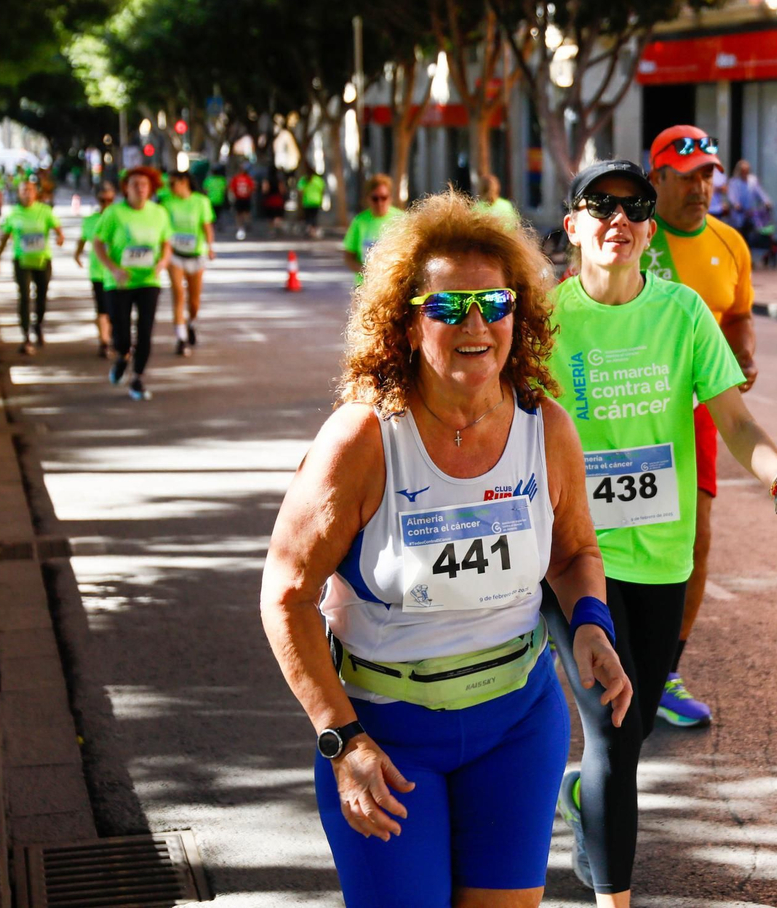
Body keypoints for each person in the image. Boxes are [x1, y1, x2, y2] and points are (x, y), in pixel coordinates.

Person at [260, 190, 632, 907]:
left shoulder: (545, 427)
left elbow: (574, 551)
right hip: (387, 739)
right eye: (447, 308)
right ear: (404, 325)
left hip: (517, 728)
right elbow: (286, 595)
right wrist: (343, 740)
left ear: (517, 317)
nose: (475, 325)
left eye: (494, 305)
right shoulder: (363, 440)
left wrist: (590, 623)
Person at [549, 159, 777, 905]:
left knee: (632, 725)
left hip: (660, 553)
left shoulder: (682, 314)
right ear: (572, 225)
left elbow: (735, 421)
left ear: (649, 228)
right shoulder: (544, 321)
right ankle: (616, 897)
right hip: (572, 558)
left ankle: (583, 802)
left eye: (633, 206)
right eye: (598, 206)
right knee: (612, 732)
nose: (618, 219)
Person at [641, 125, 757, 728]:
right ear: (656, 177)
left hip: (695, 415)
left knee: (696, 540)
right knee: (599, 538)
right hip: (621, 413)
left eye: (707, 174)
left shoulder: (730, 243)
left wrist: (745, 354)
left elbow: (737, 317)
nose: (700, 186)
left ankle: (663, 672)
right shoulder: (631, 236)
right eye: (686, 176)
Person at [94, 166, 173, 401]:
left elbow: (166, 243)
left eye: (144, 185)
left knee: (146, 331)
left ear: (151, 189)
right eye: (134, 184)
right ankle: (122, 357)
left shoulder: (159, 213)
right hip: (119, 282)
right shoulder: (113, 214)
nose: (140, 188)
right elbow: (98, 244)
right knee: (122, 333)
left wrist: (163, 262)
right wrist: (113, 268)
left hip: (149, 280)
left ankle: (137, 377)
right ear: (125, 189)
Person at [0, 173, 65, 356]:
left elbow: (57, 229)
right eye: (24, 190)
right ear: (19, 193)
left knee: (41, 297)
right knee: (24, 297)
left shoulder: (45, 211)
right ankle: (25, 335)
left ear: (36, 193)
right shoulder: (14, 213)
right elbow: (4, 237)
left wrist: (60, 237)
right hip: (22, 261)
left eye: (30, 190)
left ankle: (37, 324)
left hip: (42, 260)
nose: (27, 193)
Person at [163, 170, 216, 356]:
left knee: (194, 300)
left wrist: (210, 247)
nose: (170, 188)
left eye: (173, 184)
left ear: (184, 182)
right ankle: (181, 337)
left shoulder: (200, 201)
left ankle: (192, 323)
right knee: (178, 293)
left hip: (196, 254)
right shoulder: (167, 202)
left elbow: (207, 226)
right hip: (175, 254)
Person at [74, 181, 118, 358]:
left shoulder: (120, 217)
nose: (106, 203)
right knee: (102, 308)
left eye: (110, 199)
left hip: (119, 272)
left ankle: (115, 338)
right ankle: (104, 341)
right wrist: (76, 254)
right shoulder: (90, 220)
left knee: (116, 309)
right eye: (103, 200)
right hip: (98, 271)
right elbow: (83, 239)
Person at [344, 174, 404, 286]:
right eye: (375, 198)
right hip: (365, 286)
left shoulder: (401, 219)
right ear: (368, 198)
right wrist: (365, 271)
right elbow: (349, 256)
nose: (380, 203)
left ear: (390, 198)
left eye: (384, 198)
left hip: (393, 286)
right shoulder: (359, 221)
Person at [725, 159, 771, 246]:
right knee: (738, 233)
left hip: (749, 212)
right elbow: (732, 195)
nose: (745, 173)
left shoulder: (752, 181)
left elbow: (759, 192)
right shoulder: (734, 182)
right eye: (743, 171)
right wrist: (736, 204)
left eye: (747, 171)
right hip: (738, 213)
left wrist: (766, 201)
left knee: (750, 234)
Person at [228, 164, 256, 240]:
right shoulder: (248, 178)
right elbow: (252, 188)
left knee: (238, 213)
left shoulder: (235, 178)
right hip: (246, 198)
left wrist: (232, 196)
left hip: (238, 198)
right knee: (246, 212)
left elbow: (231, 188)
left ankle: (240, 226)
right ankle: (247, 224)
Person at [299, 169, 326, 238]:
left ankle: (310, 230)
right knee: (314, 217)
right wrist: (322, 200)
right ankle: (313, 231)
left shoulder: (304, 179)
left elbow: (300, 191)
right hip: (316, 201)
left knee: (308, 217)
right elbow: (322, 190)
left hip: (307, 201)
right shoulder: (318, 180)